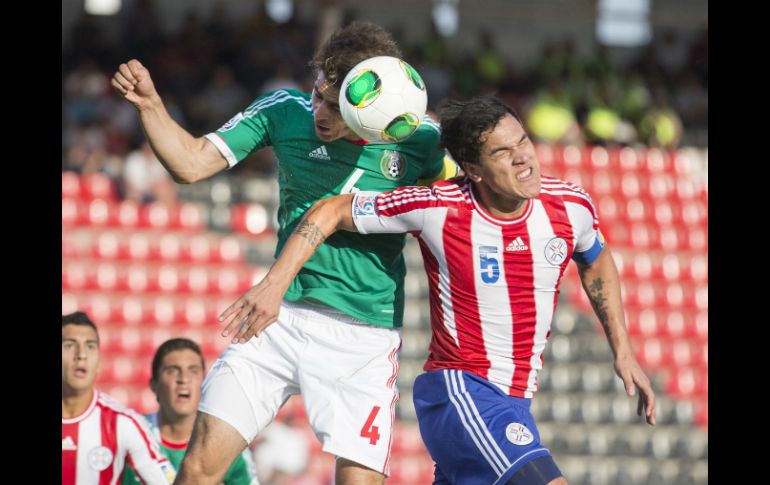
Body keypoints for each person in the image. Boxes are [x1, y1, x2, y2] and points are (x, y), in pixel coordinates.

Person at [224, 96, 657, 485]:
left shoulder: (570, 205)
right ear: (472, 170)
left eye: (522, 141)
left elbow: (596, 262)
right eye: (501, 152)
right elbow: (332, 209)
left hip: (516, 400)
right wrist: (274, 285)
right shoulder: (438, 206)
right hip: (460, 390)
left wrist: (623, 350)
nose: (522, 158)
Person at [112, 21, 458, 485]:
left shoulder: (419, 141)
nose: (319, 111)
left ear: (372, 108)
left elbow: (464, 207)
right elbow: (191, 163)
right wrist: (151, 106)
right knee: (196, 472)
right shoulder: (283, 111)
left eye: (335, 106)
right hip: (276, 319)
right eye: (317, 94)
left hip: (362, 337)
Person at [121, 338, 258, 484]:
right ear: (154, 384)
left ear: (205, 383)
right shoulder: (129, 433)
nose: (184, 379)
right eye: (172, 370)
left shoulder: (227, 442)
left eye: (193, 371)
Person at [62, 311, 175, 485]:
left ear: (98, 362)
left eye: (90, 346)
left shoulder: (122, 422)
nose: (81, 355)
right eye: (70, 345)